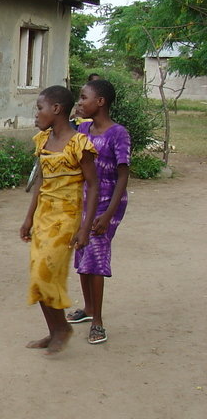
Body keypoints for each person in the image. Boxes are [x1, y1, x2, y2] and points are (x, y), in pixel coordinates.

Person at [20, 86, 98, 355]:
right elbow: (40, 180)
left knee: (46, 272)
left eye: (40, 107)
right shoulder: (42, 140)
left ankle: (61, 328)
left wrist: (85, 228)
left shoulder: (80, 143)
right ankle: (56, 330)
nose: (36, 113)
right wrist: (29, 217)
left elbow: (94, 186)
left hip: (66, 217)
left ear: (56, 109)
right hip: (44, 214)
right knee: (39, 274)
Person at [67, 79, 131, 345]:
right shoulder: (83, 129)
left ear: (100, 102)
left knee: (96, 256)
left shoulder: (118, 133)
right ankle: (88, 308)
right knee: (82, 251)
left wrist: (107, 216)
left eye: (84, 98)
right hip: (83, 201)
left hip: (107, 203)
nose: (80, 103)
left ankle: (98, 322)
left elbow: (123, 175)